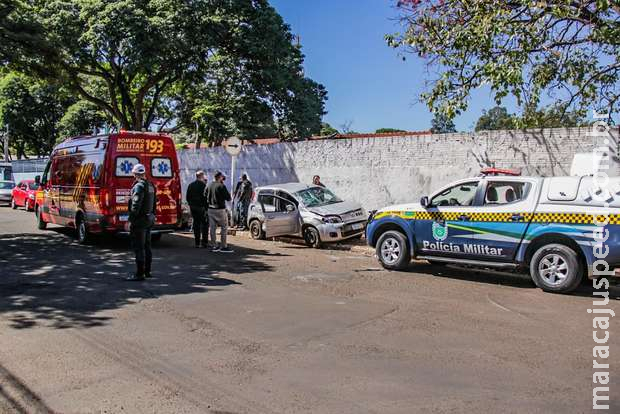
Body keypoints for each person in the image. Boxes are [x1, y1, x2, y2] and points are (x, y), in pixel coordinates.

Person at [126, 163, 157, 281]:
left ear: (134, 174)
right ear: (144, 173)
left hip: (140, 221)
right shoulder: (150, 185)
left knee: (139, 247)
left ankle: (140, 274)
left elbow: (136, 204)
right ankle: (147, 271)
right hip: (149, 219)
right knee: (147, 246)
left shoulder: (139, 186)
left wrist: (130, 220)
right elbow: (154, 203)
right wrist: (153, 216)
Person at [205, 170, 233, 253]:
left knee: (212, 228)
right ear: (220, 177)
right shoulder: (221, 186)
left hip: (210, 209)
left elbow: (204, 194)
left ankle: (214, 246)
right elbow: (228, 198)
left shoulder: (209, 185)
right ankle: (223, 246)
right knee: (224, 227)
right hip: (220, 209)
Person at [186, 170, 209, 247]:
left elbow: (187, 197)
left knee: (196, 224)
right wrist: (206, 208)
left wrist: (191, 204)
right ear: (201, 176)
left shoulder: (191, 185)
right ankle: (204, 242)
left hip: (193, 207)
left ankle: (197, 243)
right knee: (204, 225)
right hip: (201, 207)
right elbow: (206, 198)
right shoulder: (203, 186)